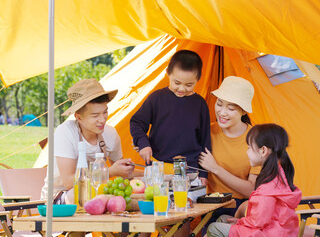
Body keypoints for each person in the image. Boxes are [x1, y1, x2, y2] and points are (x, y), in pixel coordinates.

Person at [41, 79, 137, 204]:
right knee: (86, 193)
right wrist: (111, 171)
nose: (102, 120)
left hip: (95, 194)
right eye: (95, 115)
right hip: (60, 199)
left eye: (105, 112)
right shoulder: (65, 132)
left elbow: (123, 171)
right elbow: (69, 182)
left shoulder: (110, 134)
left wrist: (153, 173)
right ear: (78, 117)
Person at [130, 50, 211, 184]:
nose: (182, 89)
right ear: (168, 73)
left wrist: (203, 173)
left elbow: (205, 141)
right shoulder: (156, 98)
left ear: (198, 79)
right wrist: (143, 143)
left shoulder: (200, 104)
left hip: (190, 171)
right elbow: (136, 122)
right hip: (158, 169)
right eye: (177, 83)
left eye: (189, 85)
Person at [207, 123, 302, 237]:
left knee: (214, 228)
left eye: (249, 148)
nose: (247, 152)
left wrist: (241, 222)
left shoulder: (268, 186)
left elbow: (258, 221)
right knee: (223, 219)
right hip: (274, 230)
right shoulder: (277, 175)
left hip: (267, 233)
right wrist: (240, 222)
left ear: (263, 151)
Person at [198, 76, 260, 235]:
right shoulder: (207, 132)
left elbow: (250, 190)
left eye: (231, 108)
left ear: (243, 111)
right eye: (219, 104)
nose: (222, 112)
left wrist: (215, 169)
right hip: (209, 205)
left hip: (241, 209)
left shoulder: (256, 140)